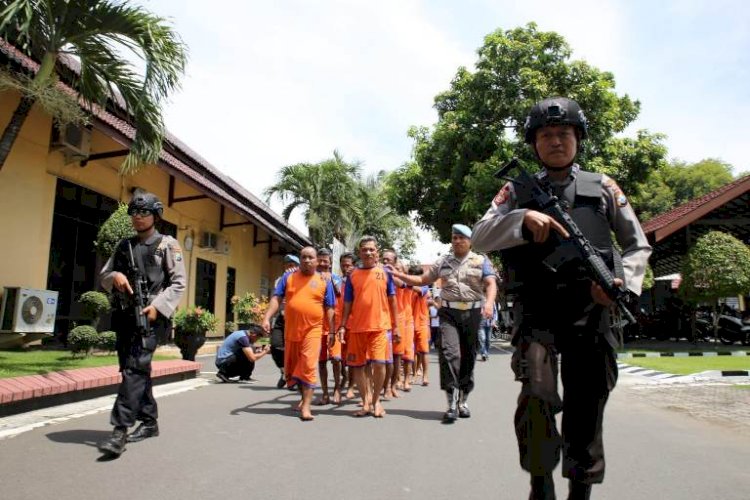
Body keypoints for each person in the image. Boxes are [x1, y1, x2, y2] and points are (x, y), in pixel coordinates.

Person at [471, 97, 652, 500]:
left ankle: (581, 490)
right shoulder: (516, 190)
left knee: (587, 404)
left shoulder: (603, 186)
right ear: (534, 143)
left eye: (564, 134)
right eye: (547, 135)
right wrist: (521, 219)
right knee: (536, 393)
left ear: (578, 139)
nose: (556, 141)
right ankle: (540, 480)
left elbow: (637, 246)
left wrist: (621, 284)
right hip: (537, 310)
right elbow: (480, 236)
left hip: (592, 310)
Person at [97, 192, 186, 457]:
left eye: (143, 213)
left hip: (152, 317)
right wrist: (115, 277)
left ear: (155, 215)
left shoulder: (167, 245)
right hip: (125, 315)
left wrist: (157, 307)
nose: (138, 217)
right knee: (132, 368)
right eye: (134, 213)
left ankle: (119, 430)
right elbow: (104, 275)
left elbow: (178, 283)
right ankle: (149, 422)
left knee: (135, 368)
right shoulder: (123, 245)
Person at [387, 224, 496, 423]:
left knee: (468, 357)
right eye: (454, 237)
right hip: (448, 313)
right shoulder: (443, 261)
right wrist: (399, 275)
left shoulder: (481, 261)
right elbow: (422, 279)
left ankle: (464, 399)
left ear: (470, 241)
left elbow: (490, 283)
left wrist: (489, 303)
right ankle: (451, 402)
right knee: (449, 353)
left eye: (461, 238)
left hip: (472, 313)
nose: (457, 241)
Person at [262, 247, 335, 421]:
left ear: (317, 261)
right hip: (291, 331)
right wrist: (266, 318)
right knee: (294, 369)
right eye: (303, 257)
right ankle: (303, 398)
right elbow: (277, 298)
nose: (307, 260)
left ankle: (307, 408)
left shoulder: (324, 280)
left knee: (309, 366)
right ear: (299, 259)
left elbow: (330, 307)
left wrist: (332, 330)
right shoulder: (288, 277)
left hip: (313, 330)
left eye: (311, 257)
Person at [337, 236, 399, 418]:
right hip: (356, 328)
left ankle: (376, 401)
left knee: (379, 364)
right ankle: (365, 402)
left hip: (380, 327)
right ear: (360, 252)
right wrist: (342, 326)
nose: (368, 252)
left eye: (371, 249)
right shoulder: (353, 275)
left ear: (377, 252)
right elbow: (347, 303)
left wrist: (396, 327)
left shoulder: (385, 273)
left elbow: (393, 300)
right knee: (357, 366)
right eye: (364, 249)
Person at [313, 247, 343, 405]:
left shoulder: (336, 278)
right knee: (321, 361)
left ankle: (337, 388)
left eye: (326, 261)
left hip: (334, 326)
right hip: (317, 327)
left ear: (331, 263)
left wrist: (328, 279)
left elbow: (338, 292)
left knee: (336, 360)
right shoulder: (312, 279)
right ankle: (325, 393)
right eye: (320, 260)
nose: (323, 263)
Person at [270, 254, 300, 389]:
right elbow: (276, 299)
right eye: (288, 265)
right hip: (281, 318)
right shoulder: (279, 280)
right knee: (275, 346)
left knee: (294, 350)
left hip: (295, 320)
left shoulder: (301, 279)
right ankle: (284, 371)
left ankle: (294, 377)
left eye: (293, 265)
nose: (290, 267)